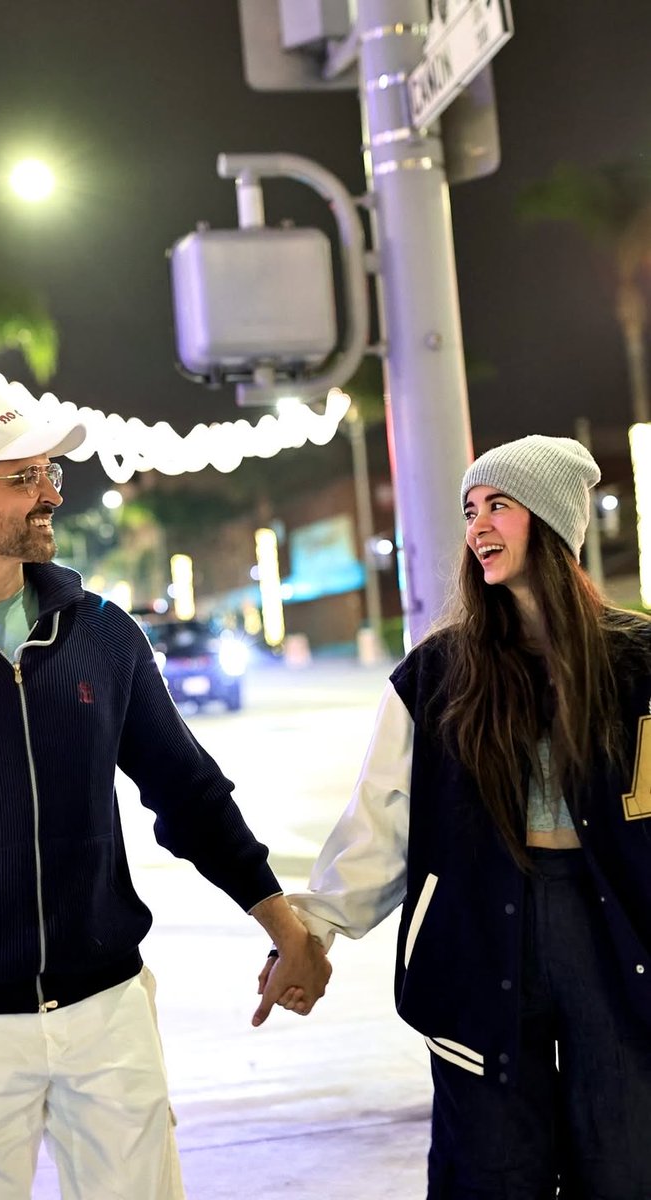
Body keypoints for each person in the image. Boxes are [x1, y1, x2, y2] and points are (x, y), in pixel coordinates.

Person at [0, 388, 330, 1200]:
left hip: (107, 1008)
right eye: (24, 479)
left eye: (49, 471)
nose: (51, 493)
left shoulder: (101, 633)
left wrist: (279, 918)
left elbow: (187, 793)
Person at [265, 435, 651, 1197]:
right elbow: (380, 821)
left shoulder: (638, 661)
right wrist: (312, 931)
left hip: (616, 930)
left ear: (550, 520)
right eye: (471, 509)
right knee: (492, 1167)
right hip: (480, 929)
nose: (477, 525)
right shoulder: (439, 672)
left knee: (629, 1155)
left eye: (499, 506)